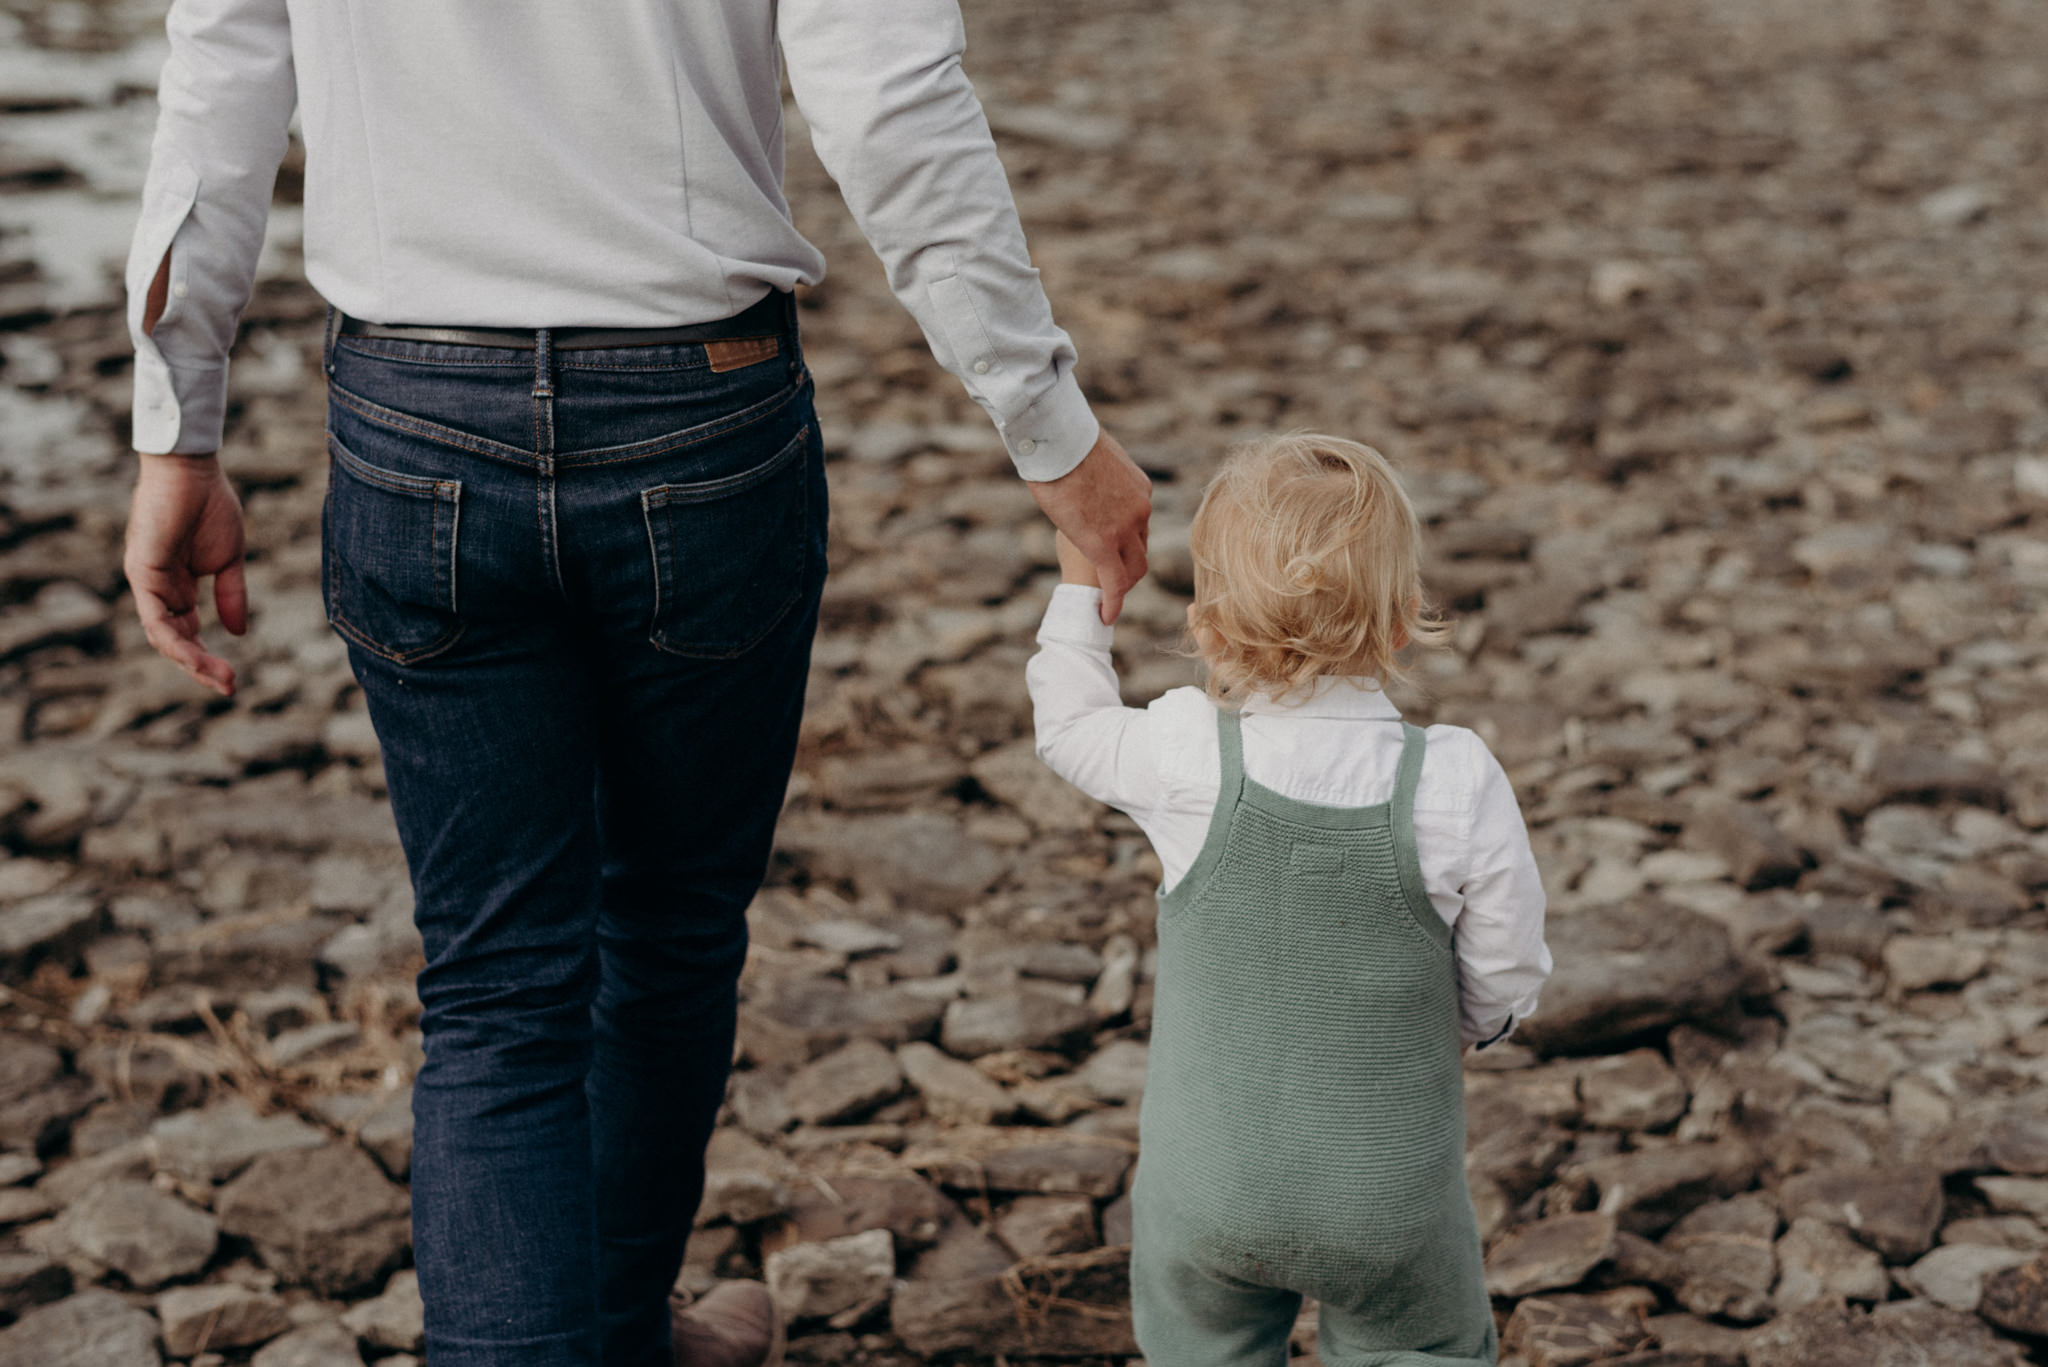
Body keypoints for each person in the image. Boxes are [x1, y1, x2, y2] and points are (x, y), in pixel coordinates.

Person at [118, 3, 1150, 1364]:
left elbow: (221, 83)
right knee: (664, 928)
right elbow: (887, 99)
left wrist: (176, 428)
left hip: (422, 410)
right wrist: (1050, 431)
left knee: (496, 984)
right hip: (698, 407)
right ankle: (610, 1322)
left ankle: (602, 1329)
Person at [1027, 434, 1550, 1366]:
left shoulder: (1189, 754)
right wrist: (1461, 1024)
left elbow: (1068, 725)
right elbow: (1507, 966)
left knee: (1202, 1348)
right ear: (1400, 619)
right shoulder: (1454, 779)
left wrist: (1081, 582)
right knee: (1422, 1345)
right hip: (1388, 1196)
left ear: (1210, 628)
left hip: (1207, 1192)